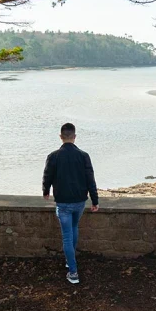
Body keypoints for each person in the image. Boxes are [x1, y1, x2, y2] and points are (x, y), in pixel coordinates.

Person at [42, 122, 99, 284]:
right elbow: (90, 180)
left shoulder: (53, 156)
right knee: (74, 228)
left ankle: (73, 272)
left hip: (63, 203)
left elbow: (47, 176)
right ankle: (70, 260)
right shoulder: (83, 156)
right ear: (74, 137)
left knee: (67, 236)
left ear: (61, 137)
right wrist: (95, 200)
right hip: (80, 202)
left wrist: (45, 191)